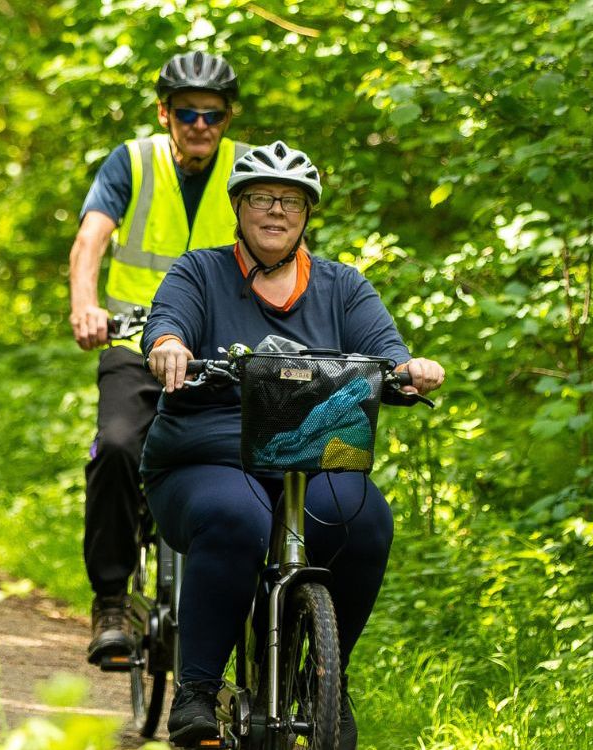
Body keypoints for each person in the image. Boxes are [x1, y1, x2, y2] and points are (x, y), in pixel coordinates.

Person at [138, 141, 447, 746]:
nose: (275, 211)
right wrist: (169, 344)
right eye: (261, 198)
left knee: (364, 522)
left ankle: (327, 676)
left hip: (311, 456)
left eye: (290, 201)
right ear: (239, 207)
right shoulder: (199, 271)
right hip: (205, 456)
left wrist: (410, 370)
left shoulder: (342, 286)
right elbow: (167, 321)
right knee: (236, 519)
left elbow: (386, 351)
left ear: (306, 215)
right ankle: (197, 689)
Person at [68, 51, 247, 666]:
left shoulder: (249, 170)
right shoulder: (134, 161)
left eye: (214, 115)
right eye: (188, 113)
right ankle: (113, 600)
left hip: (223, 350)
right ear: (165, 112)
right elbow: (92, 236)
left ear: (228, 117)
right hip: (133, 342)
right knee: (117, 447)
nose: (201, 125)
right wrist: (86, 305)